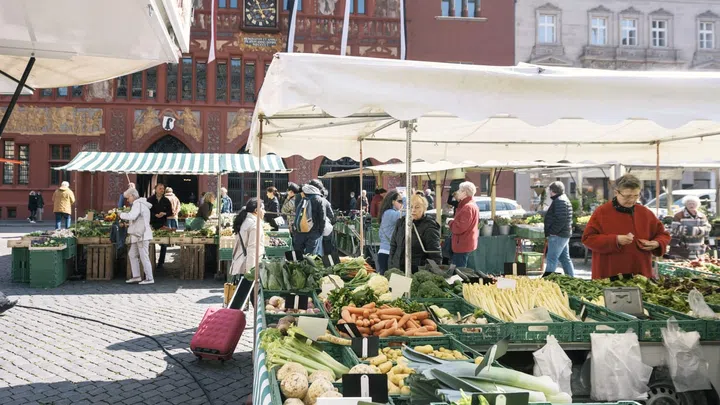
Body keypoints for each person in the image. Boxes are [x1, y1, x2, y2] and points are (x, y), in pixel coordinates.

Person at [582, 174, 670, 279]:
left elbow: (663, 234)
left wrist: (657, 243)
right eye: (627, 196)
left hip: (640, 273)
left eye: (636, 195)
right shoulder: (602, 212)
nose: (632, 200)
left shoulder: (645, 213)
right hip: (610, 272)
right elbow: (588, 239)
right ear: (616, 193)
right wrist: (615, 240)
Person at [389, 194, 442, 273]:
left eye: (417, 207)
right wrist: (391, 266)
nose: (413, 210)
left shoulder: (430, 227)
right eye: (410, 207)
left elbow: (435, 255)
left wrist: (429, 274)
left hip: (417, 272)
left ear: (424, 208)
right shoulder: (401, 223)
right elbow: (393, 246)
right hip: (398, 270)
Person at [120, 188, 155, 285]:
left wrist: (121, 214)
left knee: (144, 256)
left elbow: (132, 216)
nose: (127, 200)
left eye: (128, 198)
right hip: (139, 235)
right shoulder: (141, 204)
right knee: (132, 254)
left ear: (132, 196)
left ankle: (149, 278)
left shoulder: (137, 204)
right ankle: (136, 276)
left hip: (141, 235)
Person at [542, 181, 576, 277]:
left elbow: (561, 219)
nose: (549, 193)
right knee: (565, 258)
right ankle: (571, 278)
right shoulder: (563, 199)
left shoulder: (559, 201)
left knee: (551, 259)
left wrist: (553, 232)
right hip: (563, 234)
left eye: (549, 190)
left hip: (558, 235)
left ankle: (547, 280)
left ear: (552, 190)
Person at [230, 198, 266, 280]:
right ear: (256, 210)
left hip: (241, 263)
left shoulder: (245, 220)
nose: (264, 211)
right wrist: (251, 272)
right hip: (248, 267)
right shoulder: (255, 225)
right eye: (263, 209)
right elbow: (253, 249)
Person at [669, 195, 712, 259]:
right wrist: (697, 231)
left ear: (697, 205)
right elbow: (675, 229)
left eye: (693, 203)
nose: (691, 205)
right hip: (683, 247)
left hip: (698, 247)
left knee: (698, 263)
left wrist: (693, 230)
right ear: (685, 204)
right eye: (689, 203)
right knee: (682, 263)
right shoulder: (679, 215)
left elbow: (707, 229)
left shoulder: (702, 216)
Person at [448, 181, 479, 268]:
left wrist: (450, 222)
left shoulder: (468, 207)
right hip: (464, 242)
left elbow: (459, 228)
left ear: (464, 193)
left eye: (459, 190)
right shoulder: (470, 205)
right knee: (459, 268)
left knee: (459, 270)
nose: (457, 192)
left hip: (462, 244)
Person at [294, 184, 326, 255]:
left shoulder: (301, 198)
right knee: (310, 256)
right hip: (313, 232)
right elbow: (322, 218)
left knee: (298, 255)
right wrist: (320, 232)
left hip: (300, 231)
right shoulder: (319, 199)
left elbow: (297, 214)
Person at [147, 183, 172, 270]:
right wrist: (154, 215)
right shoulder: (150, 199)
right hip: (151, 224)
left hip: (163, 224)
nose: (162, 190)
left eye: (163, 188)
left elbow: (170, 212)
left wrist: (164, 213)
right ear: (156, 189)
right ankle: (150, 262)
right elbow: (146, 211)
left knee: (164, 244)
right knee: (150, 243)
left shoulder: (166, 200)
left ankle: (161, 263)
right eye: (160, 188)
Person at [377, 190, 403, 274]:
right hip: (387, 253)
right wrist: (406, 199)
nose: (401, 203)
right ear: (392, 202)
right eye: (399, 201)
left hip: (385, 252)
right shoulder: (390, 213)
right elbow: (406, 214)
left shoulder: (387, 213)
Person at [310, 179, 336, 255]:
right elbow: (331, 215)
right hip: (322, 230)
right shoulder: (324, 201)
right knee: (326, 249)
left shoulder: (305, 199)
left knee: (314, 252)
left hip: (309, 230)